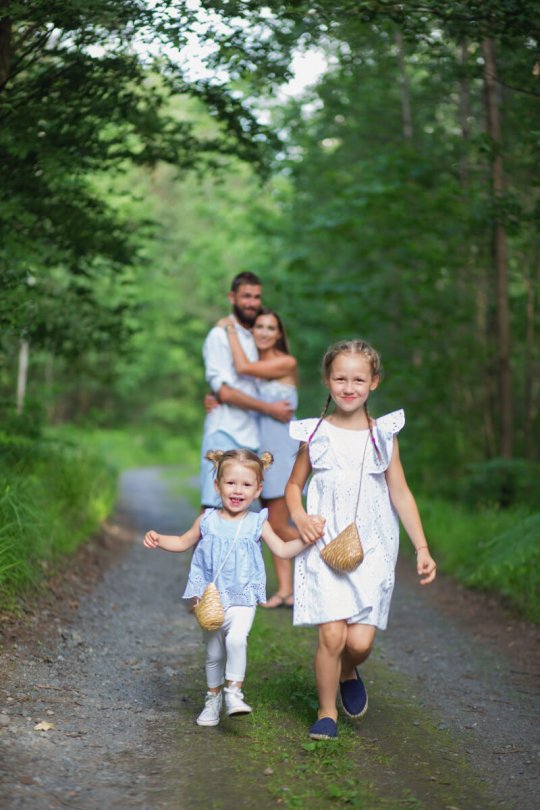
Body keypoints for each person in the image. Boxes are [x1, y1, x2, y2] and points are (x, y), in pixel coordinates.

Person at [285, 339, 437, 740]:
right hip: (324, 541)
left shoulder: (383, 435)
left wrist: (421, 547)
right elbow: (293, 486)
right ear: (327, 381)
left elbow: (400, 493)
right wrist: (299, 515)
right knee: (332, 634)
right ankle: (326, 713)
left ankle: (349, 670)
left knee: (359, 641)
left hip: (372, 546)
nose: (348, 387)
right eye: (340, 378)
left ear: (373, 382)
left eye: (358, 379)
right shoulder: (314, 433)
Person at [144, 448, 308, 728]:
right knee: (214, 653)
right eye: (231, 483)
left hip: (242, 597)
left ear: (258, 490)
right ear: (217, 485)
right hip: (210, 599)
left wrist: (309, 539)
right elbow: (183, 541)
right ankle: (213, 698)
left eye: (246, 485)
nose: (237, 490)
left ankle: (234, 692)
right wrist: (159, 539)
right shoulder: (207, 520)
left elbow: (282, 549)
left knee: (236, 640)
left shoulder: (258, 522)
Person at [216, 307, 300, 609]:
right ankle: (286, 591)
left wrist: (229, 330)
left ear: (279, 334)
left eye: (270, 328)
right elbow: (238, 391)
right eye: (259, 327)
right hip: (260, 453)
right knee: (273, 524)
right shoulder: (257, 367)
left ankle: (322, 546)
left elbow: (242, 368)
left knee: (278, 525)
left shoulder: (285, 362)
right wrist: (215, 398)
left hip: (282, 451)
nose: (264, 332)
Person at [200, 272, 293, 509]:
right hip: (226, 430)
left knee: (243, 516)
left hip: (255, 438)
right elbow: (225, 390)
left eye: (256, 297)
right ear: (232, 297)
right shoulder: (219, 335)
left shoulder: (258, 336)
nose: (252, 303)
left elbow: (251, 380)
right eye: (246, 296)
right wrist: (217, 395)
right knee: (213, 510)